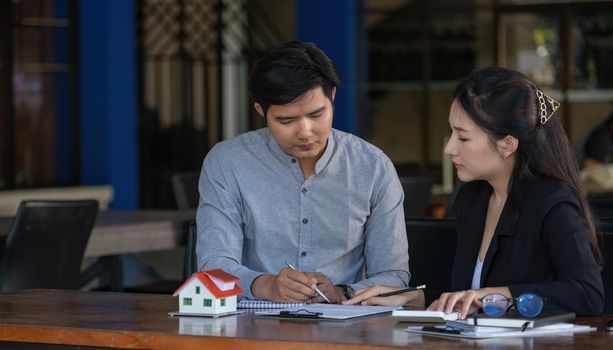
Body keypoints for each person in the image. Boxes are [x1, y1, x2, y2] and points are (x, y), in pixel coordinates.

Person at [344, 67, 604, 317]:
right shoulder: (473, 195)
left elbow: (587, 293)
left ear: (507, 144)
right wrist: (410, 296)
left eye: (463, 138)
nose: (449, 149)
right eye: (451, 133)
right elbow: (467, 294)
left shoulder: (552, 201)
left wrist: (498, 296)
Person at [196, 41, 415, 304]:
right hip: (252, 325)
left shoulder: (372, 167)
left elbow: (393, 276)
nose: (305, 132)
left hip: (344, 327)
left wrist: (340, 292)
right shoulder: (228, 162)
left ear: (332, 96)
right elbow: (213, 266)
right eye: (286, 121)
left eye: (317, 114)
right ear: (261, 111)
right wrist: (267, 286)